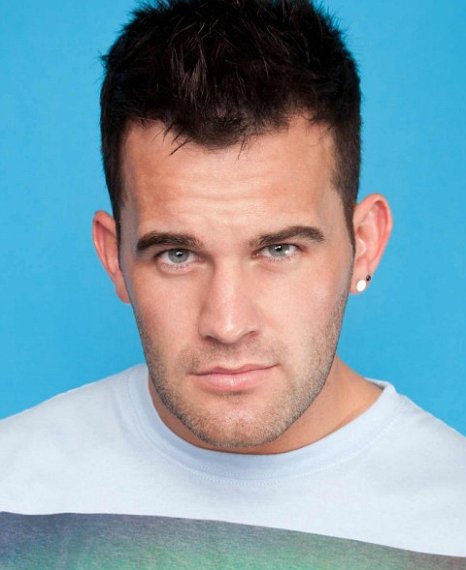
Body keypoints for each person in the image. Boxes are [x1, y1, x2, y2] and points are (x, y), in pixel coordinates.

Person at [1, 0, 465, 567]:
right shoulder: (11, 488)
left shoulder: (453, 521)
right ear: (114, 257)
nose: (226, 324)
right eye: (177, 255)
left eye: (279, 250)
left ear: (364, 243)